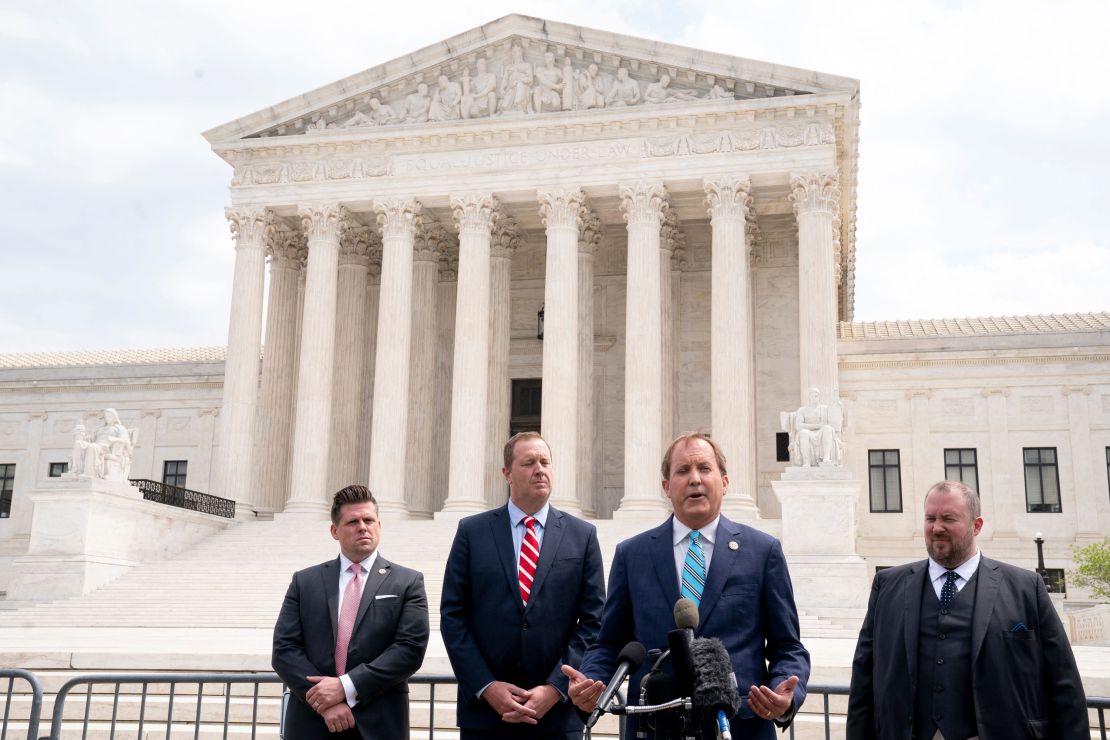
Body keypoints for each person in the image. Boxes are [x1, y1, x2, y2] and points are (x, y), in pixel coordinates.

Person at [564, 432, 810, 739]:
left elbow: (788, 647)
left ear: (725, 482)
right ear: (666, 487)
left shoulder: (763, 552)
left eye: (704, 469)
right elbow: (608, 643)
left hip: (740, 726)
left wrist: (784, 692)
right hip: (654, 727)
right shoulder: (632, 554)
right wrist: (590, 682)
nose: (694, 479)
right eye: (682, 471)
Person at [846, 480, 1089, 740]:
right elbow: (864, 679)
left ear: (977, 526)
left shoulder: (1026, 588)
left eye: (948, 519)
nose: (936, 528)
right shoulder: (888, 585)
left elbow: (1064, 684)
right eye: (930, 518)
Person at [440, 432, 606, 739]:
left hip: (557, 717)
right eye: (529, 462)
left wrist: (555, 688)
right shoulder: (471, 532)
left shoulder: (582, 536)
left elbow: (594, 621)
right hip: (486, 716)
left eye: (545, 462)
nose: (539, 469)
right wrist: (486, 686)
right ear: (507, 473)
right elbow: (453, 616)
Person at [273, 485, 429, 739]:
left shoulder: (407, 582)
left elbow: (409, 649)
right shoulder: (305, 581)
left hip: (379, 723)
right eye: (352, 521)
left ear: (379, 524)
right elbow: (284, 650)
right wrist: (326, 702)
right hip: (312, 721)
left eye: (369, 520)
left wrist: (345, 687)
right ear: (335, 531)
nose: (363, 527)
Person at [72, 408, 133, 480]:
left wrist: (114, 439)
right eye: (106, 417)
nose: (107, 418)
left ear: (114, 417)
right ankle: (76, 471)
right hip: (97, 444)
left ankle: (89, 473)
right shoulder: (100, 428)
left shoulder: (120, 428)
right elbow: (91, 439)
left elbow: (126, 441)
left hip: (107, 448)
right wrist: (81, 435)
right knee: (78, 444)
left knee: (93, 447)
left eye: (109, 416)